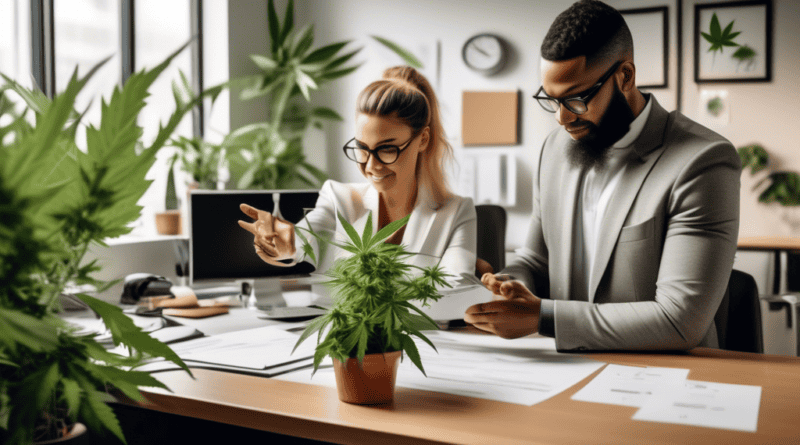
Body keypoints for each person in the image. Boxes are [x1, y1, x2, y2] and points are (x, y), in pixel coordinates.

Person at [465, 0, 740, 351]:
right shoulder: (555, 149)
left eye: (577, 98)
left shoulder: (702, 161)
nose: (562, 118)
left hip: (667, 373)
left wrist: (542, 317)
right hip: (567, 368)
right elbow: (535, 261)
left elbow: (679, 320)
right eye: (551, 100)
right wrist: (506, 288)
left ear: (625, 76)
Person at [238, 66, 476, 278]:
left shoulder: (456, 212)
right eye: (362, 149)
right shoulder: (337, 197)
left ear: (423, 140)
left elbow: (458, 286)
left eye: (387, 149)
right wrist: (286, 243)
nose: (371, 166)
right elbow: (307, 235)